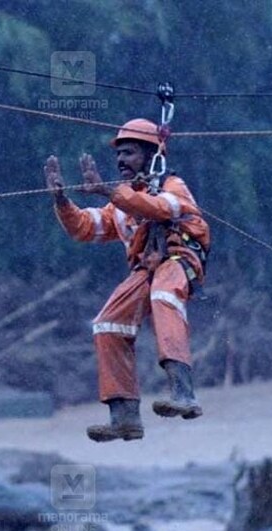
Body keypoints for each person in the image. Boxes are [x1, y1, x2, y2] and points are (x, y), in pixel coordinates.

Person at [44, 118, 211, 442]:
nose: (121, 161)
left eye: (130, 153)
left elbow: (161, 208)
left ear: (152, 155)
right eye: (119, 154)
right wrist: (62, 202)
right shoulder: (119, 204)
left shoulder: (172, 186)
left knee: (164, 296)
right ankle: (124, 417)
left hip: (178, 260)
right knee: (108, 322)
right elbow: (85, 227)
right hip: (145, 269)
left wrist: (111, 191)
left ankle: (183, 393)